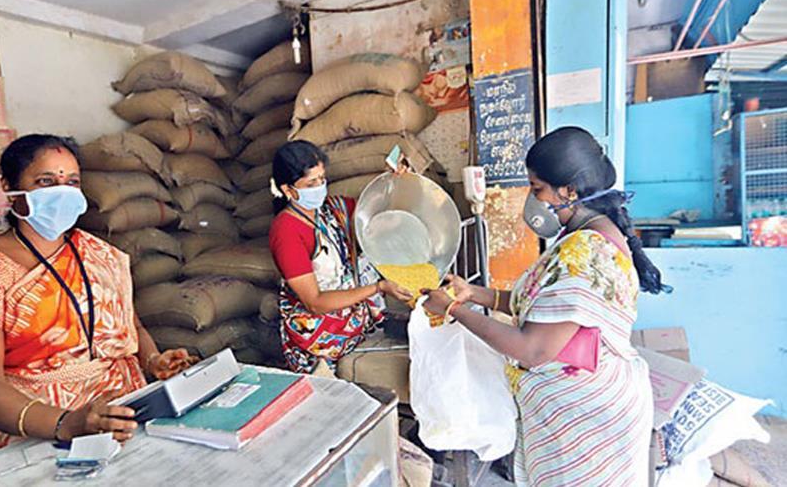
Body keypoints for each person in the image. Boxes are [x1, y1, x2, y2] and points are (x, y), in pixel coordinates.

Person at [422, 127, 667, 486]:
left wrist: (453, 310)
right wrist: (473, 293)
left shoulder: (583, 252)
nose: (533, 199)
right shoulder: (588, 233)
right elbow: (542, 307)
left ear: (568, 191)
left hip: (586, 419)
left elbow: (533, 348)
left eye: (537, 189)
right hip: (588, 405)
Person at [0, 135, 195, 467]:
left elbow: (130, 325)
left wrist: (153, 360)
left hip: (121, 417)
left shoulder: (102, 255)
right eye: (46, 181)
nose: (62, 191)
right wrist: (65, 424)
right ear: (10, 188)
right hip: (30, 432)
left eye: (71, 182)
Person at [268, 140, 413, 374]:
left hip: (357, 323)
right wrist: (379, 287)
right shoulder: (286, 231)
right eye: (311, 183)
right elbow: (314, 302)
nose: (320, 187)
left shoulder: (333, 210)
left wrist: (392, 181)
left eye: (322, 179)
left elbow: (374, 213)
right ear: (288, 190)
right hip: (319, 338)